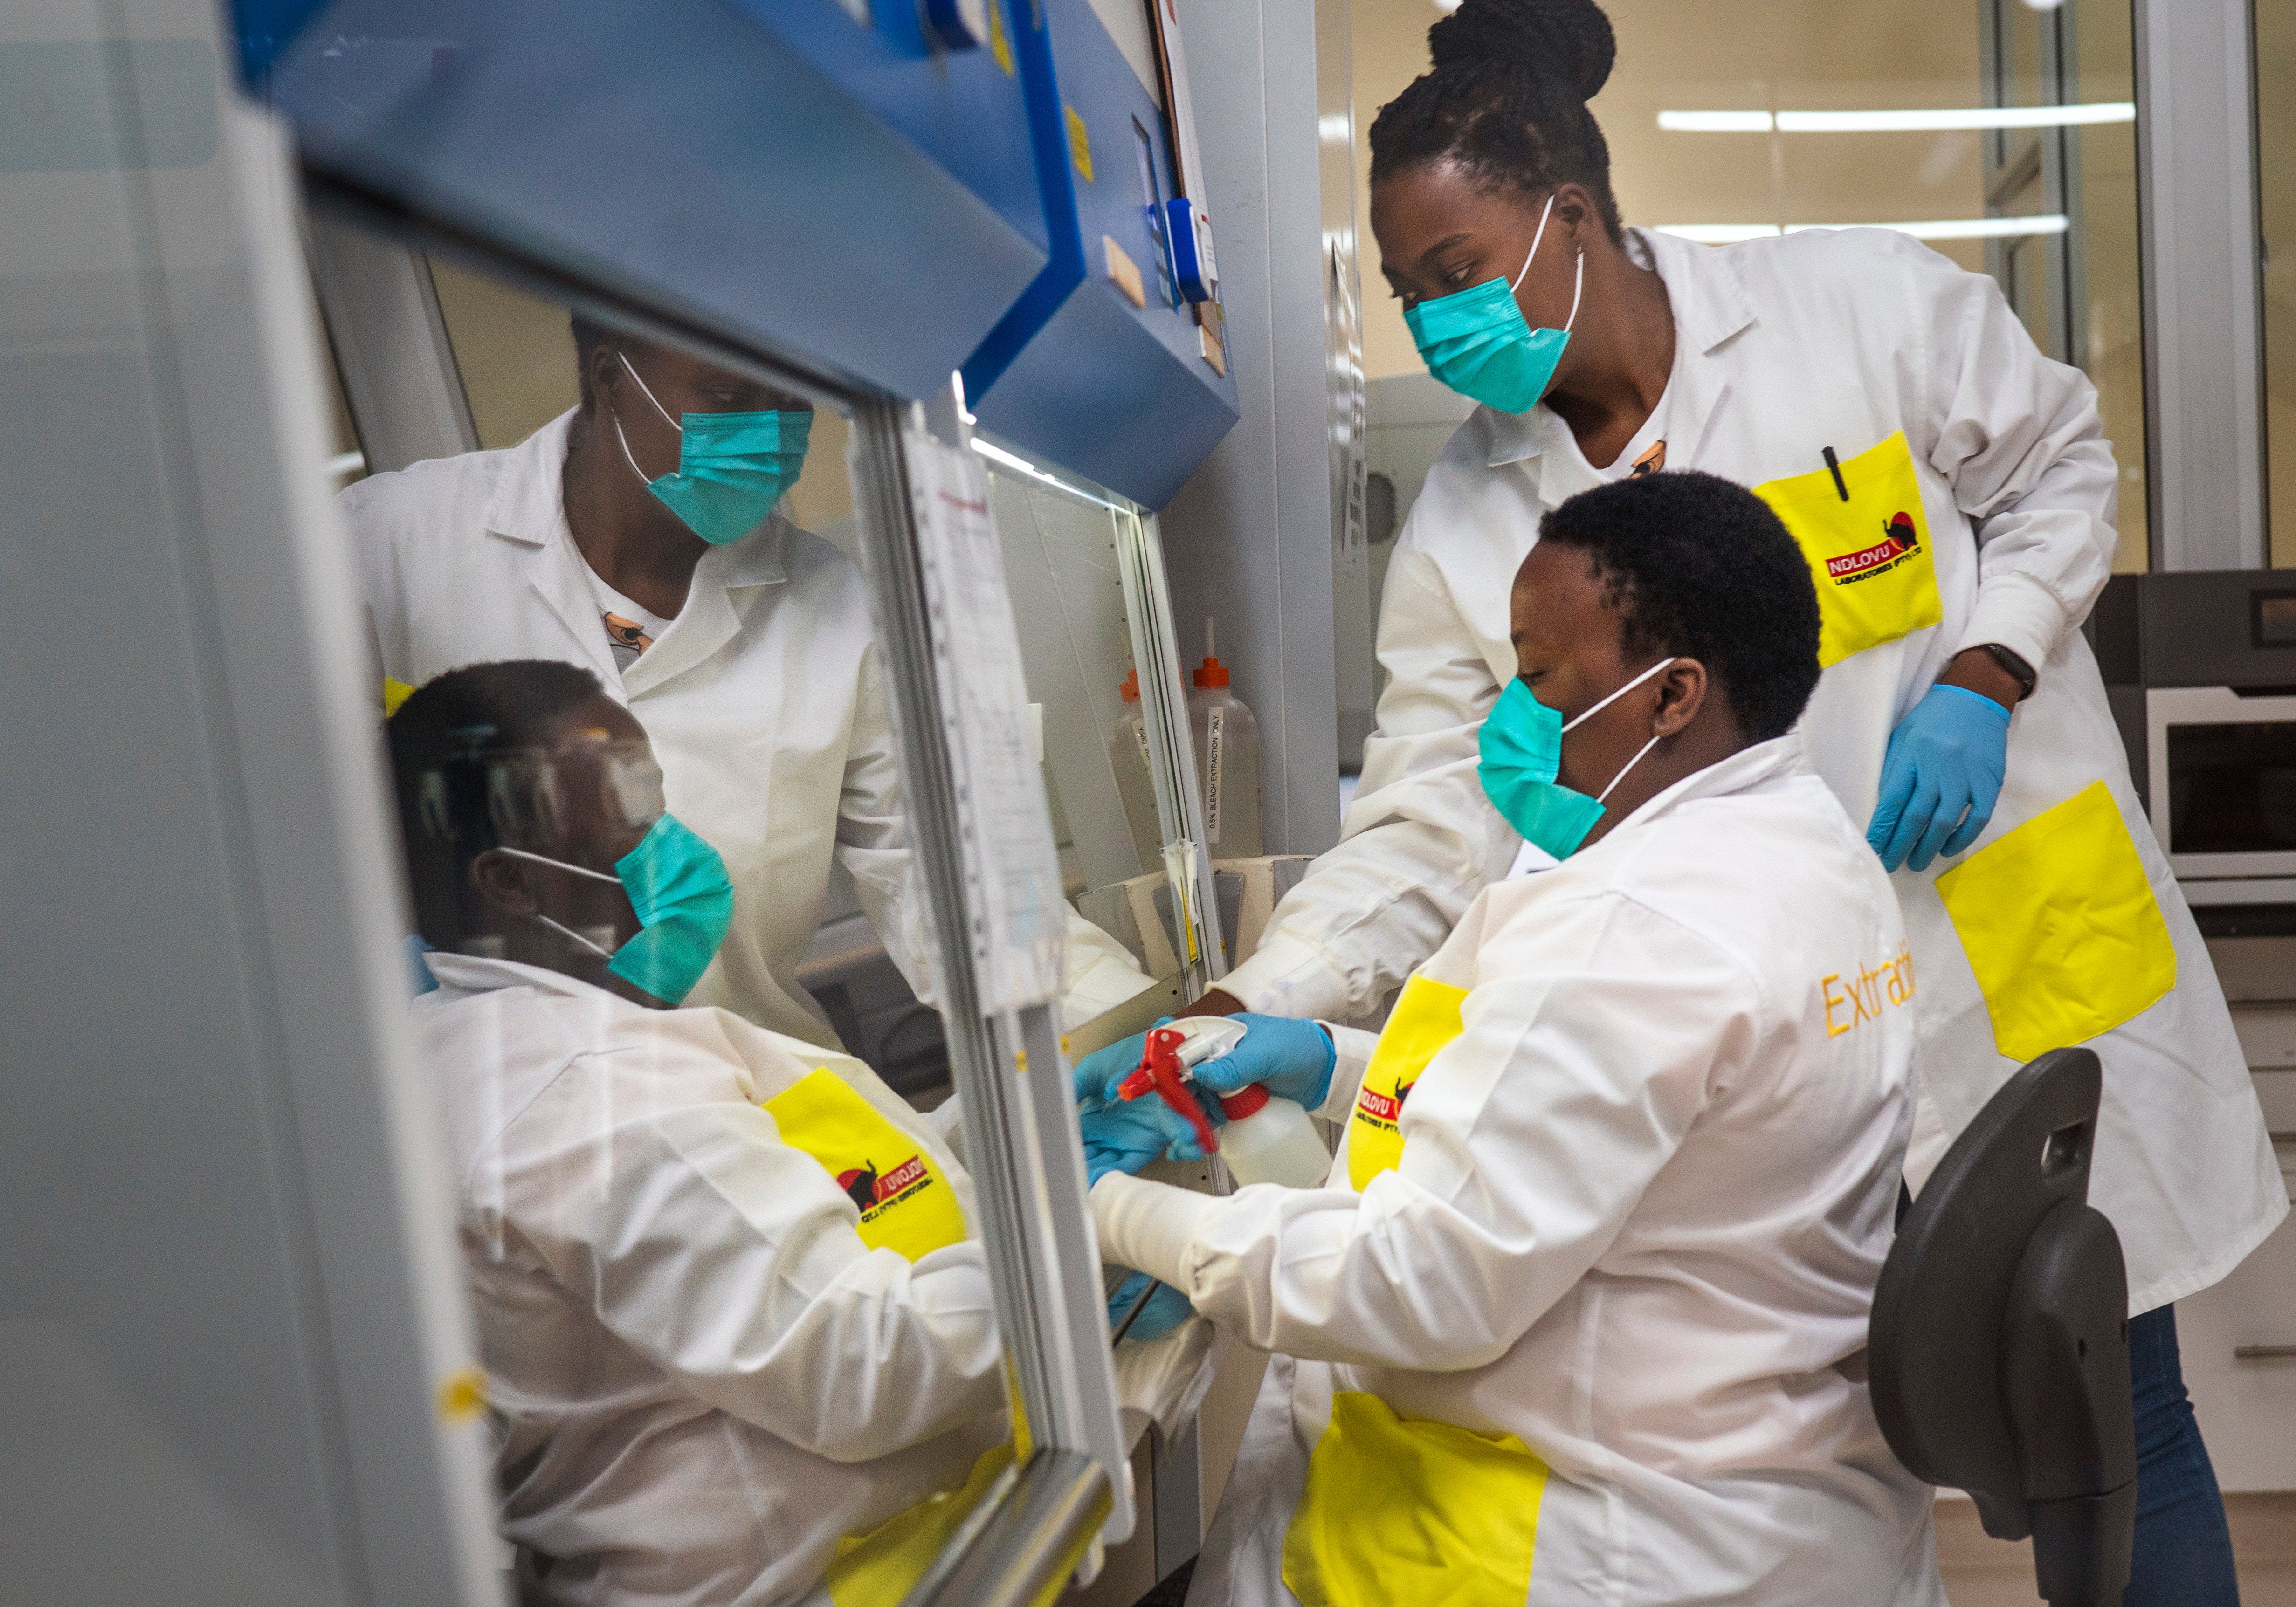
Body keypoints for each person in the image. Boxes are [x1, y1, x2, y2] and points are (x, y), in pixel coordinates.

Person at [1078, 4, 2280, 1598]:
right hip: (1762, 1031)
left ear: (1569, 219)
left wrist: (1982, 671)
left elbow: (2060, 465)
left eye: (1456, 270)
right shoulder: (1469, 504)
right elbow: (1434, 806)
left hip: (2008, 951)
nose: (1433, 322)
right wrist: (1254, 997)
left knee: (2110, 1410)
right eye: (1403, 290)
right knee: (1832, 1409)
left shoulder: (1848, 308)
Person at [1087, 474, 1942, 1607]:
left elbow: (1417, 1286)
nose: (1510, 715)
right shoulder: (1801, 842)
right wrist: (1328, 1061)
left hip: (1603, 1532)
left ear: (1672, 694)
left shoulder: (1634, 923)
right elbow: (1623, 1116)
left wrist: (1103, 1213)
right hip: (1764, 1481)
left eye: (1535, 677)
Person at [388, 659, 1014, 1607]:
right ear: (512, 884)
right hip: (821, 1578)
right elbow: (866, 1366)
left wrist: (997, 1144)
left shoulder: (462, 1044)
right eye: (628, 816)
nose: (673, 844)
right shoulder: (596, 1094)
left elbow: (777, 1207)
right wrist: (1073, 1224)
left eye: (658, 796)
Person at [347, 321, 1151, 1043]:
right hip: (484, 1119)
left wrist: (1141, 1030)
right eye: (727, 395)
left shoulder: (842, 609)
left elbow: (949, 886)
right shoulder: (392, 543)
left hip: (751, 1098)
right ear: (608, 375)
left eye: (790, 402)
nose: (764, 435)